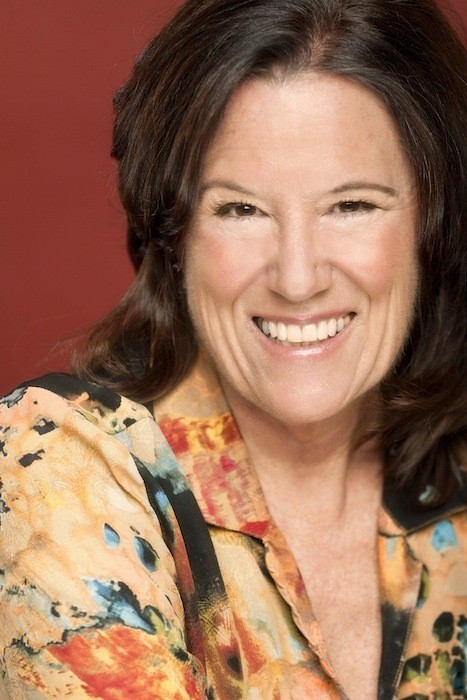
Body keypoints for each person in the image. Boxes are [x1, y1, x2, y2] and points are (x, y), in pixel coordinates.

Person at [1, 0, 466, 697]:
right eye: (240, 209)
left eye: (351, 205)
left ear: (433, 224)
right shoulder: (57, 467)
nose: (297, 279)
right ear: (175, 234)